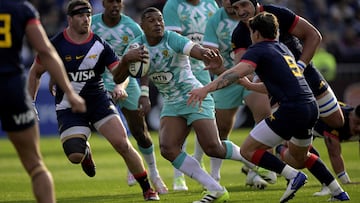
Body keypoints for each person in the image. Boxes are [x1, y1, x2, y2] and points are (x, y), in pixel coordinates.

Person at [188, 11, 350, 202]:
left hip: (291, 110)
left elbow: (237, 72)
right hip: (309, 107)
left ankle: (292, 176)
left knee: (248, 150)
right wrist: (248, 85)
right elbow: (272, 84)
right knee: (300, 157)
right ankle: (339, 192)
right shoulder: (283, 48)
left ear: (255, 34)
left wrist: (206, 89)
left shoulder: (258, 49)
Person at [113, 7, 260, 203]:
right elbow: (118, 76)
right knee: (168, 148)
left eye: (160, 20)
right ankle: (214, 188)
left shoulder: (171, 38)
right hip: (172, 102)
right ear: (142, 26)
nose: (158, 23)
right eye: (151, 20)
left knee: (213, 147)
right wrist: (125, 61)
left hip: (192, 95)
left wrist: (207, 54)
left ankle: (254, 160)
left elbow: (194, 49)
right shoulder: (134, 48)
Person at [27, 0, 159, 200]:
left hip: (99, 101)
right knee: (74, 155)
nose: (86, 19)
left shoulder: (99, 44)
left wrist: (124, 64)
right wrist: (31, 102)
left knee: (123, 143)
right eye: (80, 16)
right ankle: (85, 152)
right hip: (69, 105)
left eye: (88, 15)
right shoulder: (56, 44)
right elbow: (35, 72)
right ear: (69, 19)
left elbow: (118, 75)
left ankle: (148, 189)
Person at [0, 1, 86, 203]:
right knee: (35, 165)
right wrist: (70, 92)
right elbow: (45, 51)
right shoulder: (21, 8)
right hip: (11, 86)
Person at [91, 0, 168, 194]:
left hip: (126, 82)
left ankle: (154, 173)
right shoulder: (91, 24)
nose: (115, 5)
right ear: (103, 3)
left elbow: (143, 61)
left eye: (119, 1)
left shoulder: (132, 27)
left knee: (140, 133)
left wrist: (143, 92)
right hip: (96, 82)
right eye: (111, 1)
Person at [230, 0, 345, 130]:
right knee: (288, 134)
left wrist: (300, 66)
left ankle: (310, 126)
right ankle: (302, 133)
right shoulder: (239, 34)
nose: (240, 11)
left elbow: (313, 35)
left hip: (304, 73)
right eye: (235, 8)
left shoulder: (277, 13)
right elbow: (243, 68)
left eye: (244, 5)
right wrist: (259, 81)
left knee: (337, 122)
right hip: (279, 88)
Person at [202, 0, 275, 188]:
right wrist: (226, 73)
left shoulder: (259, 17)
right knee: (221, 128)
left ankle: (257, 170)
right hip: (226, 75)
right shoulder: (214, 21)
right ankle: (215, 175)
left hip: (255, 74)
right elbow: (209, 55)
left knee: (265, 116)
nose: (228, 2)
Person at [162, 0, 220, 191]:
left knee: (203, 121)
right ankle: (179, 177)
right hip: (180, 74)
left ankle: (198, 161)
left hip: (203, 69)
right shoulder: (173, 5)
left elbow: (215, 37)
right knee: (179, 122)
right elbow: (175, 43)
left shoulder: (211, 4)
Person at [278, 103, 360, 197]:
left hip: (311, 122)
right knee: (304, 157)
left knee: (303, 157)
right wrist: (345, 181)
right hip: (301, 122)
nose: (358, 128)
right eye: (357, 123)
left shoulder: (350, 117)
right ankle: (279, 151)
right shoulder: (335, 120)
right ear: (351, 116)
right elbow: (334, 153)